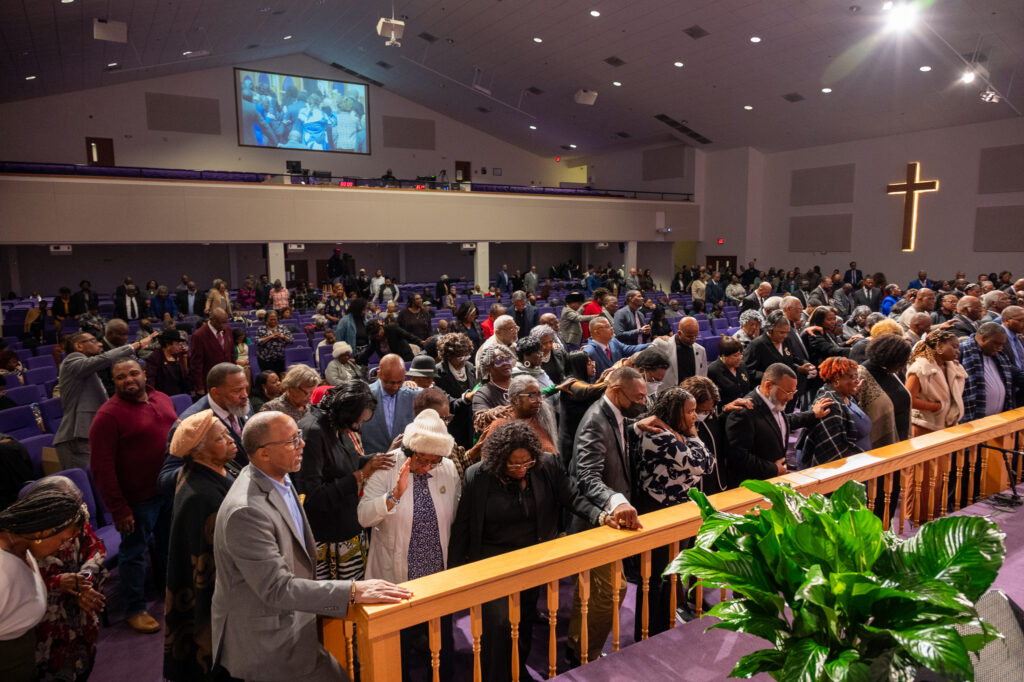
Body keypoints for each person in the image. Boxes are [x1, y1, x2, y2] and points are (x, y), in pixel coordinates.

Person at [211, 411, 413, 682]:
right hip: (267, 644)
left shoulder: (279, 477)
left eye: (299, 436)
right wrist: (354, 590)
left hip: (295, 627)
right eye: (292, 441)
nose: (302, 444)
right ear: (264, 453)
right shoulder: (246, 511)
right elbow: (276, 588)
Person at [451, 421, 608, 681]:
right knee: (499, 624)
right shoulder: (478, 476)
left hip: (532, 560)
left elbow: (573, 497)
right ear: (500, 459)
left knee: (523, 621)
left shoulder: (546, 465)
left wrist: (601, 515)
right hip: (493, 563)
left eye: (527, 462)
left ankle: (517, 670)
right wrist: (455, 574)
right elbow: (463, 527)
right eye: (514, 464)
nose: (522, 469)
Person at [567, 367, 660, 666]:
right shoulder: (595, 421)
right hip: (595, 520)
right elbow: (587, 476)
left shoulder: (615, 414)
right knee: (610, 591)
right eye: (637, 398)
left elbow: (617, 436)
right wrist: (616, 501)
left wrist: (635, 427)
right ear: (616, 391)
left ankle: (577, 644)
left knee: (593, 592)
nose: (642, 403)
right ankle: (585, 656)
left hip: (608, 520)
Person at [358, 408, 460, 679]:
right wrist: (393, 496)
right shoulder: (387, 466)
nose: (427, 467)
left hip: (436, 572)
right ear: (409, 450)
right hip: (396, 574)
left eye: (433, 461)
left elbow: (454, 515)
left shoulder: (447, 468)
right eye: (422, 460)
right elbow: (363, 516)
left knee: (440, 643)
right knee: (398, 648)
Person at [89, 358, 177, 634]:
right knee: (133, 554)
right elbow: (101, 467)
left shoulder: (161, 398)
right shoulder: (108, 415)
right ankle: (134, 608)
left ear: (144, 374)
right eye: (121, 377)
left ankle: (170, 591)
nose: (128, 379)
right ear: (113, 382)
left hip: (167, 490)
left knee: (169, 545)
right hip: (137, 500)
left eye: (133, 373)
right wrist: (118, 508)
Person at [163, 411, 239, 682]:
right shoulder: (200, 497)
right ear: (198, 452)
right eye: (220, 438)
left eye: (227, 433)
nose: (231, 440)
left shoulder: (221, 466)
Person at [633, 387, 715, 638]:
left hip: (680, 510)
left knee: (672, 573)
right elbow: (700, 464)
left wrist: (690, 438)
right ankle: (646, 634)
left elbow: (709, 463)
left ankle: (664, 628)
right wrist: (693, 436)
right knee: (655, 578)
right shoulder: (658, 435)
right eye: (690, 412)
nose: (694, 417)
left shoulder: (676, 434)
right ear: (674, 411)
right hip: (658, 511)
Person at [295, 382, 394, 582]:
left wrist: (375, 460)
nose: (358, 428)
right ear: (346, 414)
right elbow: (313, 497)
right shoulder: (313, 431)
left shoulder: (336, 424)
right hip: (328, 535)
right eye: (357, 422)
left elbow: (346, 462)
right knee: (339, 597)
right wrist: (360, 475)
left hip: (348, 524)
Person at [0, 479, 89, 682]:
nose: (63, 547)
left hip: (23, 649)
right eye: (62, 541)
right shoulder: (2, 569)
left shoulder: (22, 545)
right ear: (42, 532)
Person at [30, 476, 107, 682]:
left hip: (80, 612)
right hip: (47, 624)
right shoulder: (29, 538)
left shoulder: (77, 522)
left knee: (83, 666)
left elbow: (96, 550)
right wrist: (57, 583)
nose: (79, 513)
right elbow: (20, 588)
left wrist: (84, 579)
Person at [53, 331, 156, 470]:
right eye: (93, 341)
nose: (100, 344)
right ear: (78, 346)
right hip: (76, 438)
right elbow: (104, 359)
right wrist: (134, 346)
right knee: (87, 481)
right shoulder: (72, 360)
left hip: (88, 435)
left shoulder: (86, 369)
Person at [724, 363, 833, 487]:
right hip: (754, 489)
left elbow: (781, 422)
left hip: (773, 483)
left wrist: (813, 414)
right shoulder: (742, 412)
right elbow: (738, 457)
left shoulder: (773, 401)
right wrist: (773, 469)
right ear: (769, 386)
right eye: (788, 392)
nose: (791, 397)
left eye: (794, 391)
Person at [856, 335, 913, 520]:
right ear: (892, 358)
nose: (903, 365)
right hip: (872, 452)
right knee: (874, 503)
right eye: (902, 361)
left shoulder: (890, 372)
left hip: (897, 447)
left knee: (889, 498)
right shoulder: (861, 375)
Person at [799, 357, 871, 468]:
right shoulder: (830, 405)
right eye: (852, 377)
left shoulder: (847, 397)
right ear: (837, 380)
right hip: (844, 468)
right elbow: (834, 452)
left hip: (859, 463)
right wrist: (866, 459)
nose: (857, 381)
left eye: (857, 376)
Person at [362, 354, 419, 455]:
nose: (395, 387)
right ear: (379, 374)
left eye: (400, 382)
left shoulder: (415, 395)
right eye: (391, 383)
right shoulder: (363, 396)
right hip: (372, 460)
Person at [434, 333, 478, 449]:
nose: (464, 361)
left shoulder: (469, 367)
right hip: (452, 427)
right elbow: (445, 402)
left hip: (470, 426)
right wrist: (466, 398)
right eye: (460, 357)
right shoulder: (438, 372)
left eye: (466, 356)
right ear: (448, 356)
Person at [190, 309, 236, 396]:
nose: (224, 325)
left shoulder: (227, 330)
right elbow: (196, 364)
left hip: (228, 379)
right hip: (210, 382)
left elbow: (232, 354)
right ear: (212, 320)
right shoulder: (199, 335)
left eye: (225, 322)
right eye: (221, 323)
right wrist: (200, 387)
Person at [651, 317, 706, 386]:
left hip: (691, 390)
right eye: (689, 337)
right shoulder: (661, 344)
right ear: (679, 333)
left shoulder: (701, 350)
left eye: (696, 336)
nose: (693, 339)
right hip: (668, 390)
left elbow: (703, 376)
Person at [584, 317, 650, 375]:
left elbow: (630, 349)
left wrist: (653, 344)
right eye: (607, 326)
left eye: (611, 325)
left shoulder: (613, 341)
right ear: (597, 332)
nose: (612, 328)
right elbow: (589, 379)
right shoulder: (589, 351)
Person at [472, 343, 515, 416]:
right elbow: (480, 418)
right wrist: (491, 413)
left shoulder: (522, 384)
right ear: (487, 368)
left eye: (507, 359)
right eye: (498, 361)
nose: (505, 363)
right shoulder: (482, 394)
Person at [707, 336, 752, 405]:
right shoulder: (712, 371)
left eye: (741, 354)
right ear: (724, 355)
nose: (740, 358)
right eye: (735, 355)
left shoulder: (742, 365)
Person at [146, 329, 191, 396]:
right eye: (177, 344)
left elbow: (185, 376)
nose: (179, 347)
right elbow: (150, 381)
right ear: (168, 344)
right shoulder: (155, 357)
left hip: (180, 393)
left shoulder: (179, 355)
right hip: (163, 395)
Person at [255, 310, 292, 374]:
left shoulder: (282, 328)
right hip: (265, 359)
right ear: (266, 320)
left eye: (275, 319)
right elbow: (257, 342)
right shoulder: (261, 329)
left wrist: (283, 336)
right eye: (271, 319)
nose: (273, 321)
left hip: (280, 359)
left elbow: (291, 340)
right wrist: (270, 336)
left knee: (280, 377)